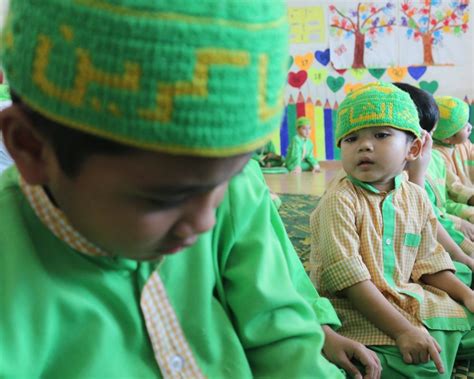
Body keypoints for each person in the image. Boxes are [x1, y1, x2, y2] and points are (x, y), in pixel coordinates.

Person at [0, 1, 381, 378]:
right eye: (164, 199)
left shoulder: (234, 191)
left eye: (226, 179)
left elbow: (279, 327)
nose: (205, 220)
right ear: (31, 149)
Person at [310, 82, 474, 378]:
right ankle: (425, 347)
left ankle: (435, 341)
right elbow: (351, 282)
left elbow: (429, 262)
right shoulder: (339, 200)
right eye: (350, 138)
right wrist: (403, 331)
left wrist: (466, 295)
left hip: (407, 296)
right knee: (420, 368)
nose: (364, 145)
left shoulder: (415, 196)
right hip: (359, 308)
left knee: (463, 318)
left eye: (381, 134)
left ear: (413, 148)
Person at [393, 83, 474, 272]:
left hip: (444, 221)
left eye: (432, 134)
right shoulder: (401, 177)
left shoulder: (433, 158)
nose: (429, 141)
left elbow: (442, 203)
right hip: (438, 231)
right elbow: (429, 219)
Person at [432, 96, 474, 224]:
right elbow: (454, 188)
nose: (470, 126)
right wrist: (471, 197)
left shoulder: (464, 143)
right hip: (453, 203)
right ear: (447, 138)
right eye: (464, 127)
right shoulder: (437, 155)